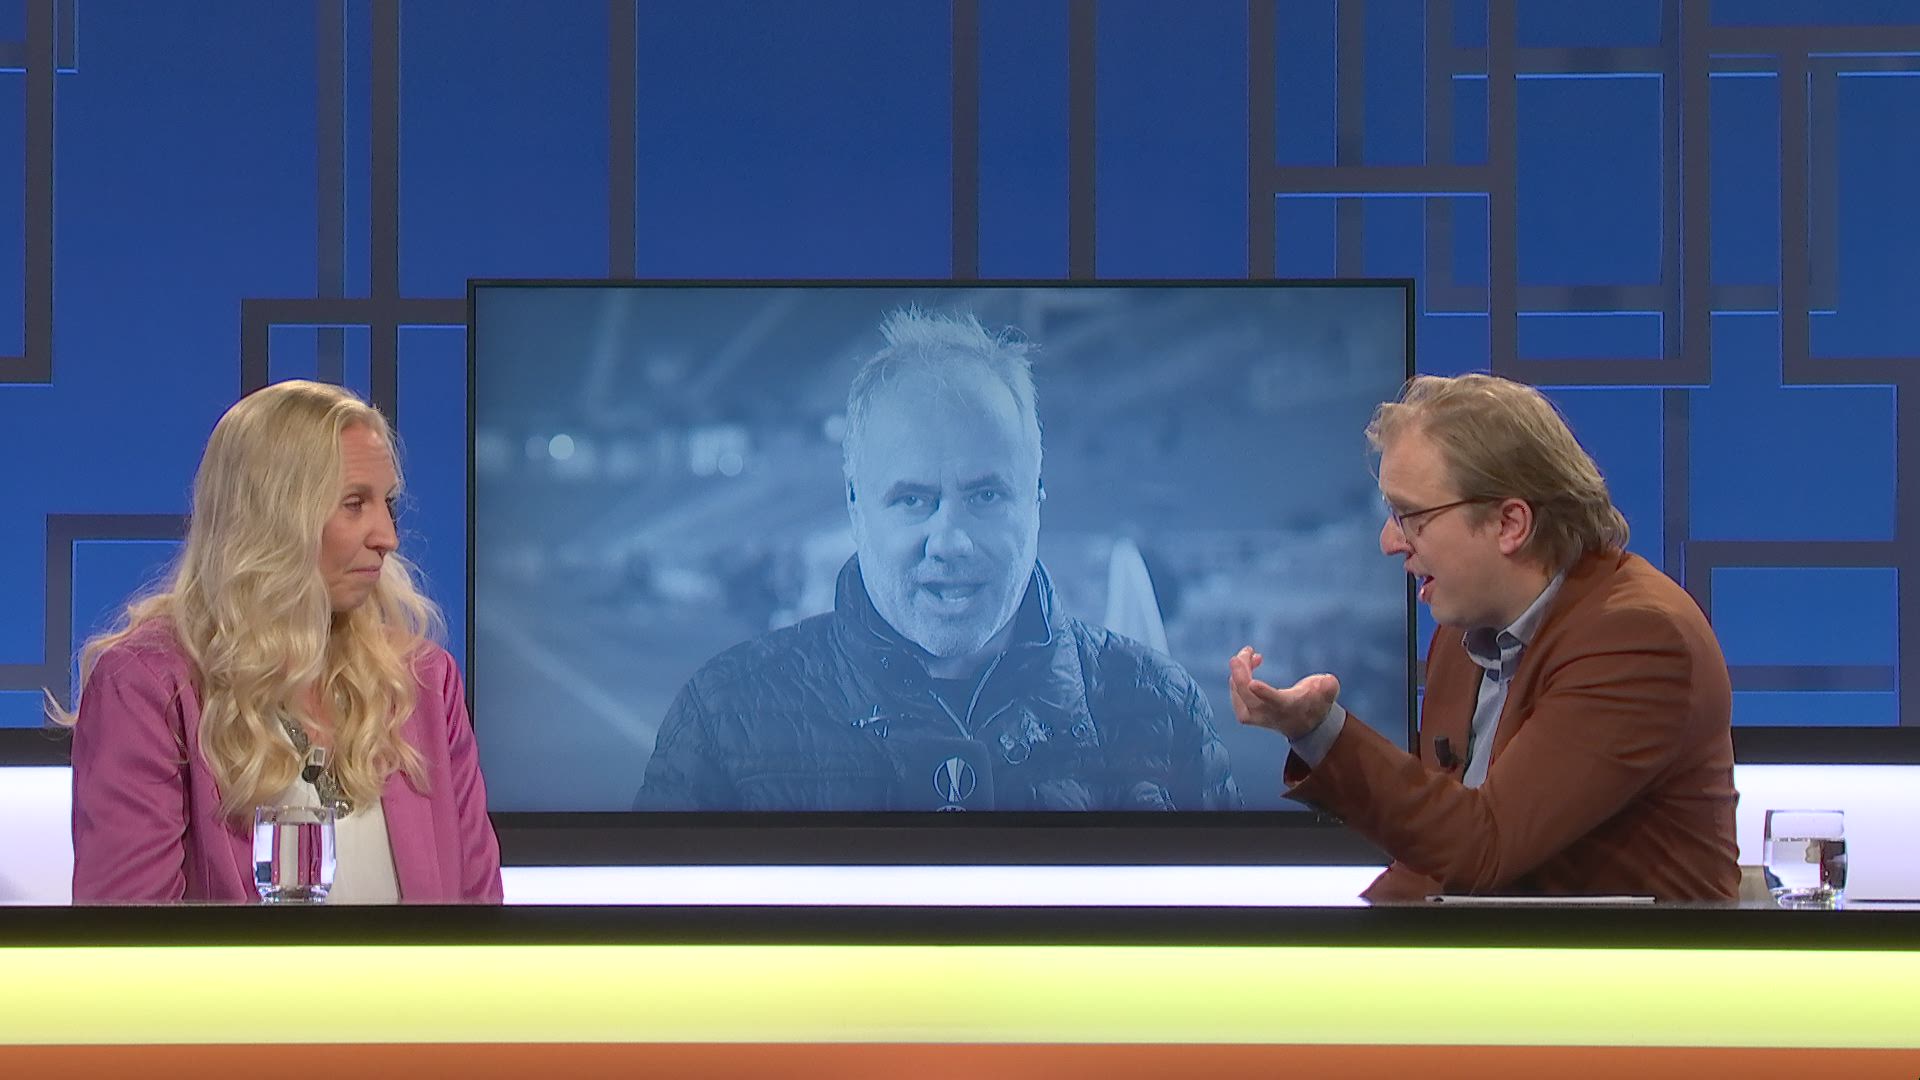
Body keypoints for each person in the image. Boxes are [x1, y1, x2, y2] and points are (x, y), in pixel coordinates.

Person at [638, 309, 1238, 811]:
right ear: (854, 506)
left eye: (986, 495)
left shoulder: (1163, 707)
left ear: (1036, 499)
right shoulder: (721, 718)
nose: (950, 540)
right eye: (913, 499)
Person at [1230, 373, 1738, 902]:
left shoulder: (1636, 638)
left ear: (1509, 524)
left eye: (1411, 516)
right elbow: (1433, 855)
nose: (1389, 542)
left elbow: (1484, 848)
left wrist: (1320, 731)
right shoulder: (1465, 636)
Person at [57, 380, 502, 903]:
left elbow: (480, 917)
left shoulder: (422, 683)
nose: (387, 536)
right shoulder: (150, 687)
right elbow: (130, 936)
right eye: (354, 503)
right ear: (273, 516)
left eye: (387, 503)